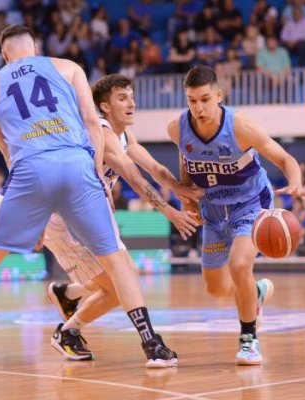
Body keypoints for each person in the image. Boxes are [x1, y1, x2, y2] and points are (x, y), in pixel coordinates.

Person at [0, 24, 182, 369]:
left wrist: (31, 212)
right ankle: (152, 344)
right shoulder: (67, 67)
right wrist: (91, 169)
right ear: (36, 47)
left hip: (30, 169)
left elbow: (6, 151)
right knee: (118, 260)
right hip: (77, 165)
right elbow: (92, 121)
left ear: (5, 55)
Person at [44, 74, 202, 360]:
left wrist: (180, 188)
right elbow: (133, 176)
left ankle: (68, 299)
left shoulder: (125, 134)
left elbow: (153, 167)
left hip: (90, 216)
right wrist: (170, 212)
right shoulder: (102, 133)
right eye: (122, 98)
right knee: (120, 284)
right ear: (105, 107)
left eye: (131, 96)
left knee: (124, 280)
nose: (132, 103)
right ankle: (73, 327)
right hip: (65, 222)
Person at [167, 66, 305, 365]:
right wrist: (187, 199)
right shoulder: (177, 127)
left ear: (219, 96)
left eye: (205, 99)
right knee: (216, 288)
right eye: (192, 101)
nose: (198, 107)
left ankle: (249, 339)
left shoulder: (240, 126)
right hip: (212, 210)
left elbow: (285, 158)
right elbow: (187, 159)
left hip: (250, 204)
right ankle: (255, 294)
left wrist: (296, 181)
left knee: (239, 265)